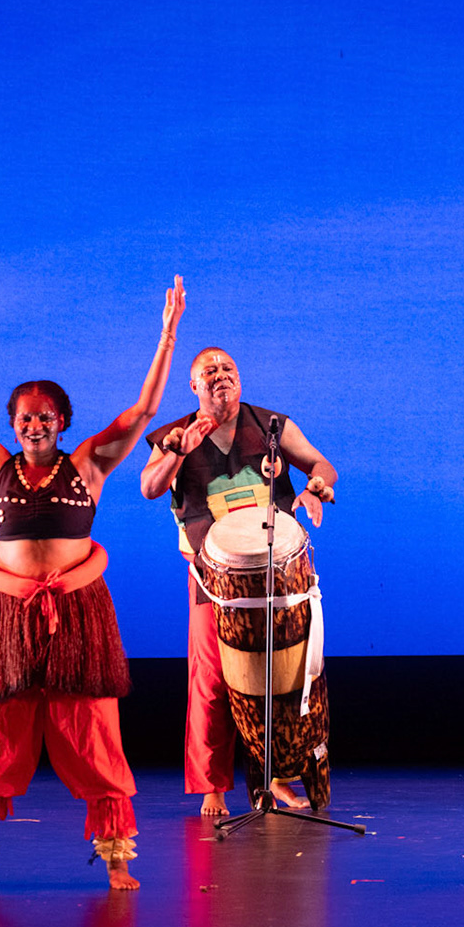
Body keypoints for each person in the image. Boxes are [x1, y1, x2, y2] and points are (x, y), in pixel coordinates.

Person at [0, 270, 184, 892]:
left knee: (93, 731)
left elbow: (143, 411)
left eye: (47, 416)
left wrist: (167, 335)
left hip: (77, 614)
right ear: (13, 423)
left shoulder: (89, 464)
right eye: (26, 417)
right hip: (4, 616)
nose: (36, 425)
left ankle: (117, 860)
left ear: (62, 421)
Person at [139, 344, 338, 817]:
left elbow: (321, 464)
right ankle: (213, 786)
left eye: (227, 367)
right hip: (213, 580)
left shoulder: (272, 426)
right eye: (208, 370)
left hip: (278, 576)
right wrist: (176, 453)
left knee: (284, 676)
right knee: (212, 680)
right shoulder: (174, 435)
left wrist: (316, 485)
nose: (219, 374)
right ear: (193, 385)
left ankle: (279, 776)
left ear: (240, 377)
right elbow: (149, 487)